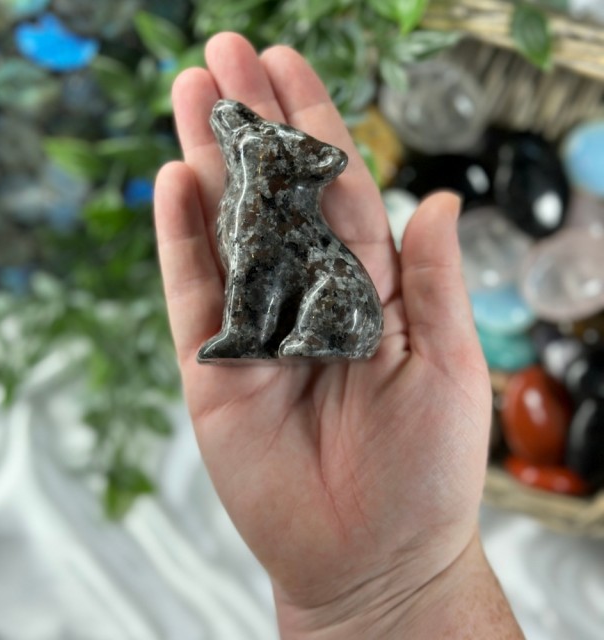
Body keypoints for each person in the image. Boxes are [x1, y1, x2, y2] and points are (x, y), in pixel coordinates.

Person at [154, 31, 525, 639]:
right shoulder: (248, 192)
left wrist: (413, 582)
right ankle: (255, 334)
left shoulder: (277, 209)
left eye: (264, 151)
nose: (253, 154)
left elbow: (264, 261)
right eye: (250, 148)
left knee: (280, 278)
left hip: (340, 306)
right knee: (248, 271)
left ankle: (288, 333)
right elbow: (247, 259)